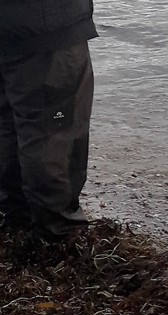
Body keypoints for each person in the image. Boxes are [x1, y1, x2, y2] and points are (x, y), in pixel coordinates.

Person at [0, 0, 97, 241]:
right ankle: (57, 233)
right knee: (54, 130)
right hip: (44, 23)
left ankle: (14, 220)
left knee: (8, 123)